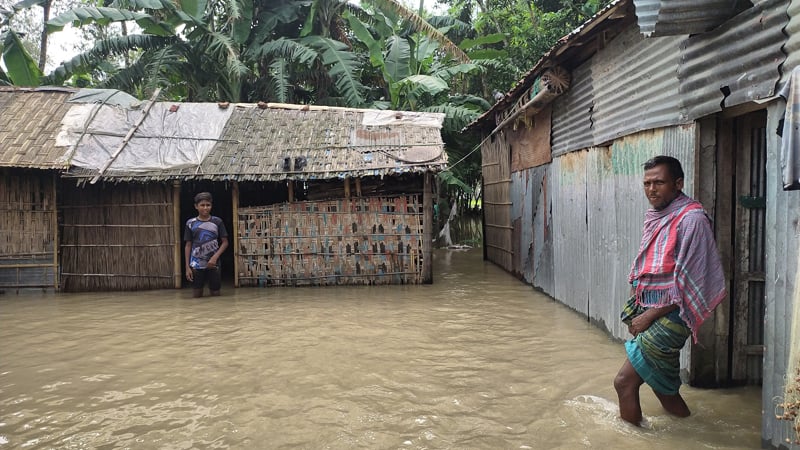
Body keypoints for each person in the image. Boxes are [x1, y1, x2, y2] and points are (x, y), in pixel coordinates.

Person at [613, 155, 727, 426]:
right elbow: (645, 266)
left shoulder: (692, 220)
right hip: (650, 308)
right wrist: (637, 306)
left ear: (678, 184)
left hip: (673, 314)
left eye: (659, 183)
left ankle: (632, 441)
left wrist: (649, 316)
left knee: (623, 383)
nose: (651, 189)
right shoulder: (655, 215)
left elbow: (690, 283)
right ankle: (689, 430)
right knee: (660, 384)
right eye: (647, 183)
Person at [184, 192, 229, 298]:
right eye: (202, 205)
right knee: (197, 295)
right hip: (196, 265)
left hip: (214, 264)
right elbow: (188, 245)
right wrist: (187, 267)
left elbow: (225, 242)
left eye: (208, 205)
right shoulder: (190, 223)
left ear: (211, 206)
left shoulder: (217, 222)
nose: (205, 208)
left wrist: (215, 257)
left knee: (215, 294)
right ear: (196, 206)